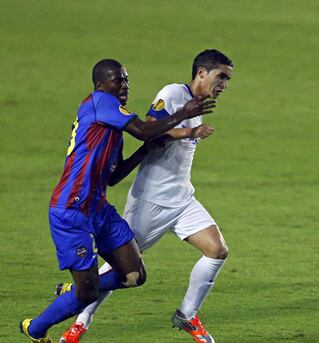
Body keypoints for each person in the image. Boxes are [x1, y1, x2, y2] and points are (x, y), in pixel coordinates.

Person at [19, 59, 215, 343]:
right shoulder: (100, 102)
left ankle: (74, 293)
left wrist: (143, 153)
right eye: (118, 80)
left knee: (134, 275)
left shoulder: (111, 127)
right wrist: (183, 113)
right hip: (71, 210)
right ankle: (36, 329)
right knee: (86, 293)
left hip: (99, 209)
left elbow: (114, 176)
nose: (124, 86)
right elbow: (144, 129)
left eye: (126, 80)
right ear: (100, 85)